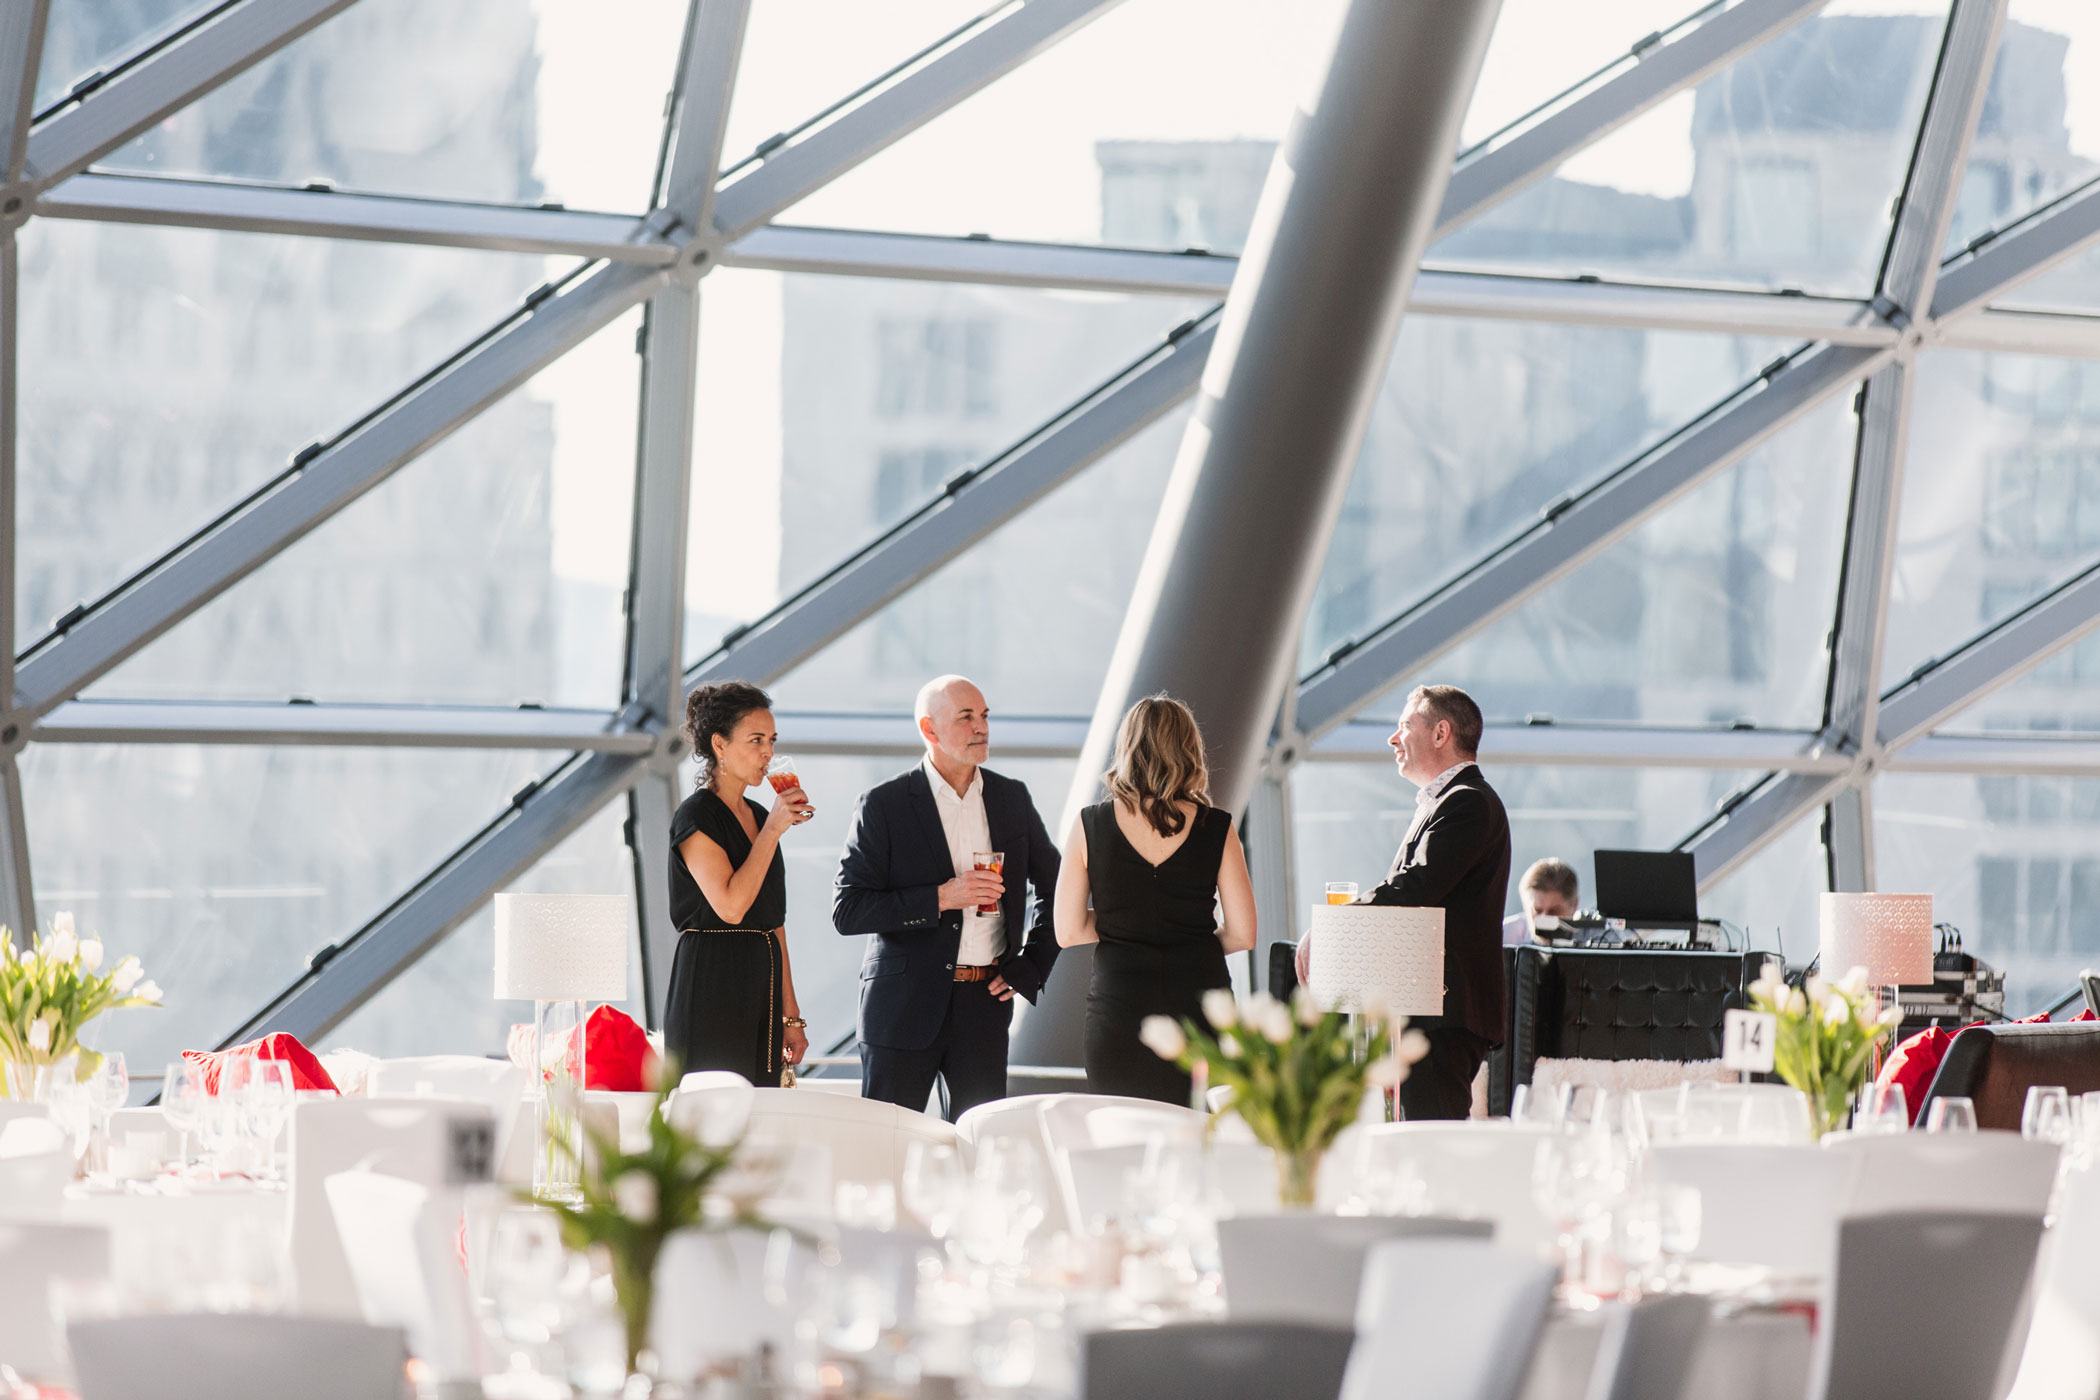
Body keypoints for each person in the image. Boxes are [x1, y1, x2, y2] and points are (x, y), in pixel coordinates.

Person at [834, 675, 1061, 1121]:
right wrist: (941, 897)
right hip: (901, 1008)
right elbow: (849, 909)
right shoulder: (884, 804)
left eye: (984, 716)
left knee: (981, 1147)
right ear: (929, 729)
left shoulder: (1011, 797)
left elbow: (1057, 888)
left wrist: (1031, 965)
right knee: (889, 1148)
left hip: (984, 1006)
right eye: (966, 717)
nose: (982, 727)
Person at [1298, 684, 1510, 1121]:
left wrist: (1333, 927)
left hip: (1443, 1015)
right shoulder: (1447, 804)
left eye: (1403, 726)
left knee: (1430, 1147)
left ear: (1440, 733)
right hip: (1427, 1009)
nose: (1393, 739)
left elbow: (1413, 887)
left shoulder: (1467, 802)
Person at [1056, 695, 1257, 1105]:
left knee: (1124, 1141)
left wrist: (1125, 920)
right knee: (1201, 1140)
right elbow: (1244, 934)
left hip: (1119, 1014)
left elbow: (1068, 930)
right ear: (1189, 749)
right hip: (1203, 1010)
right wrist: (1183, 932)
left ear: (1126, 748)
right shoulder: (1216, 827)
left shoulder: (1088, 824)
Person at [663, 681, 814, 1086]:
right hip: (711, 982)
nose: (768, 752)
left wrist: (791, 1016)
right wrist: (774, 831)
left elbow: (774, 923)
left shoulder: (763, 814)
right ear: (720, 744)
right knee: (712, 1115)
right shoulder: (695, 817)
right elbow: (731, 906)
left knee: (759, 1118)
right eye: (756, 740)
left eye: (772, 740)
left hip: (760, 984)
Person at [1502, 857, 1579, 946]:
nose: (1544, 920)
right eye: (1537, 911)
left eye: (1553, 911)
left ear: (1574, 905)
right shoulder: (1504, 938)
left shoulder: (1595, 936)